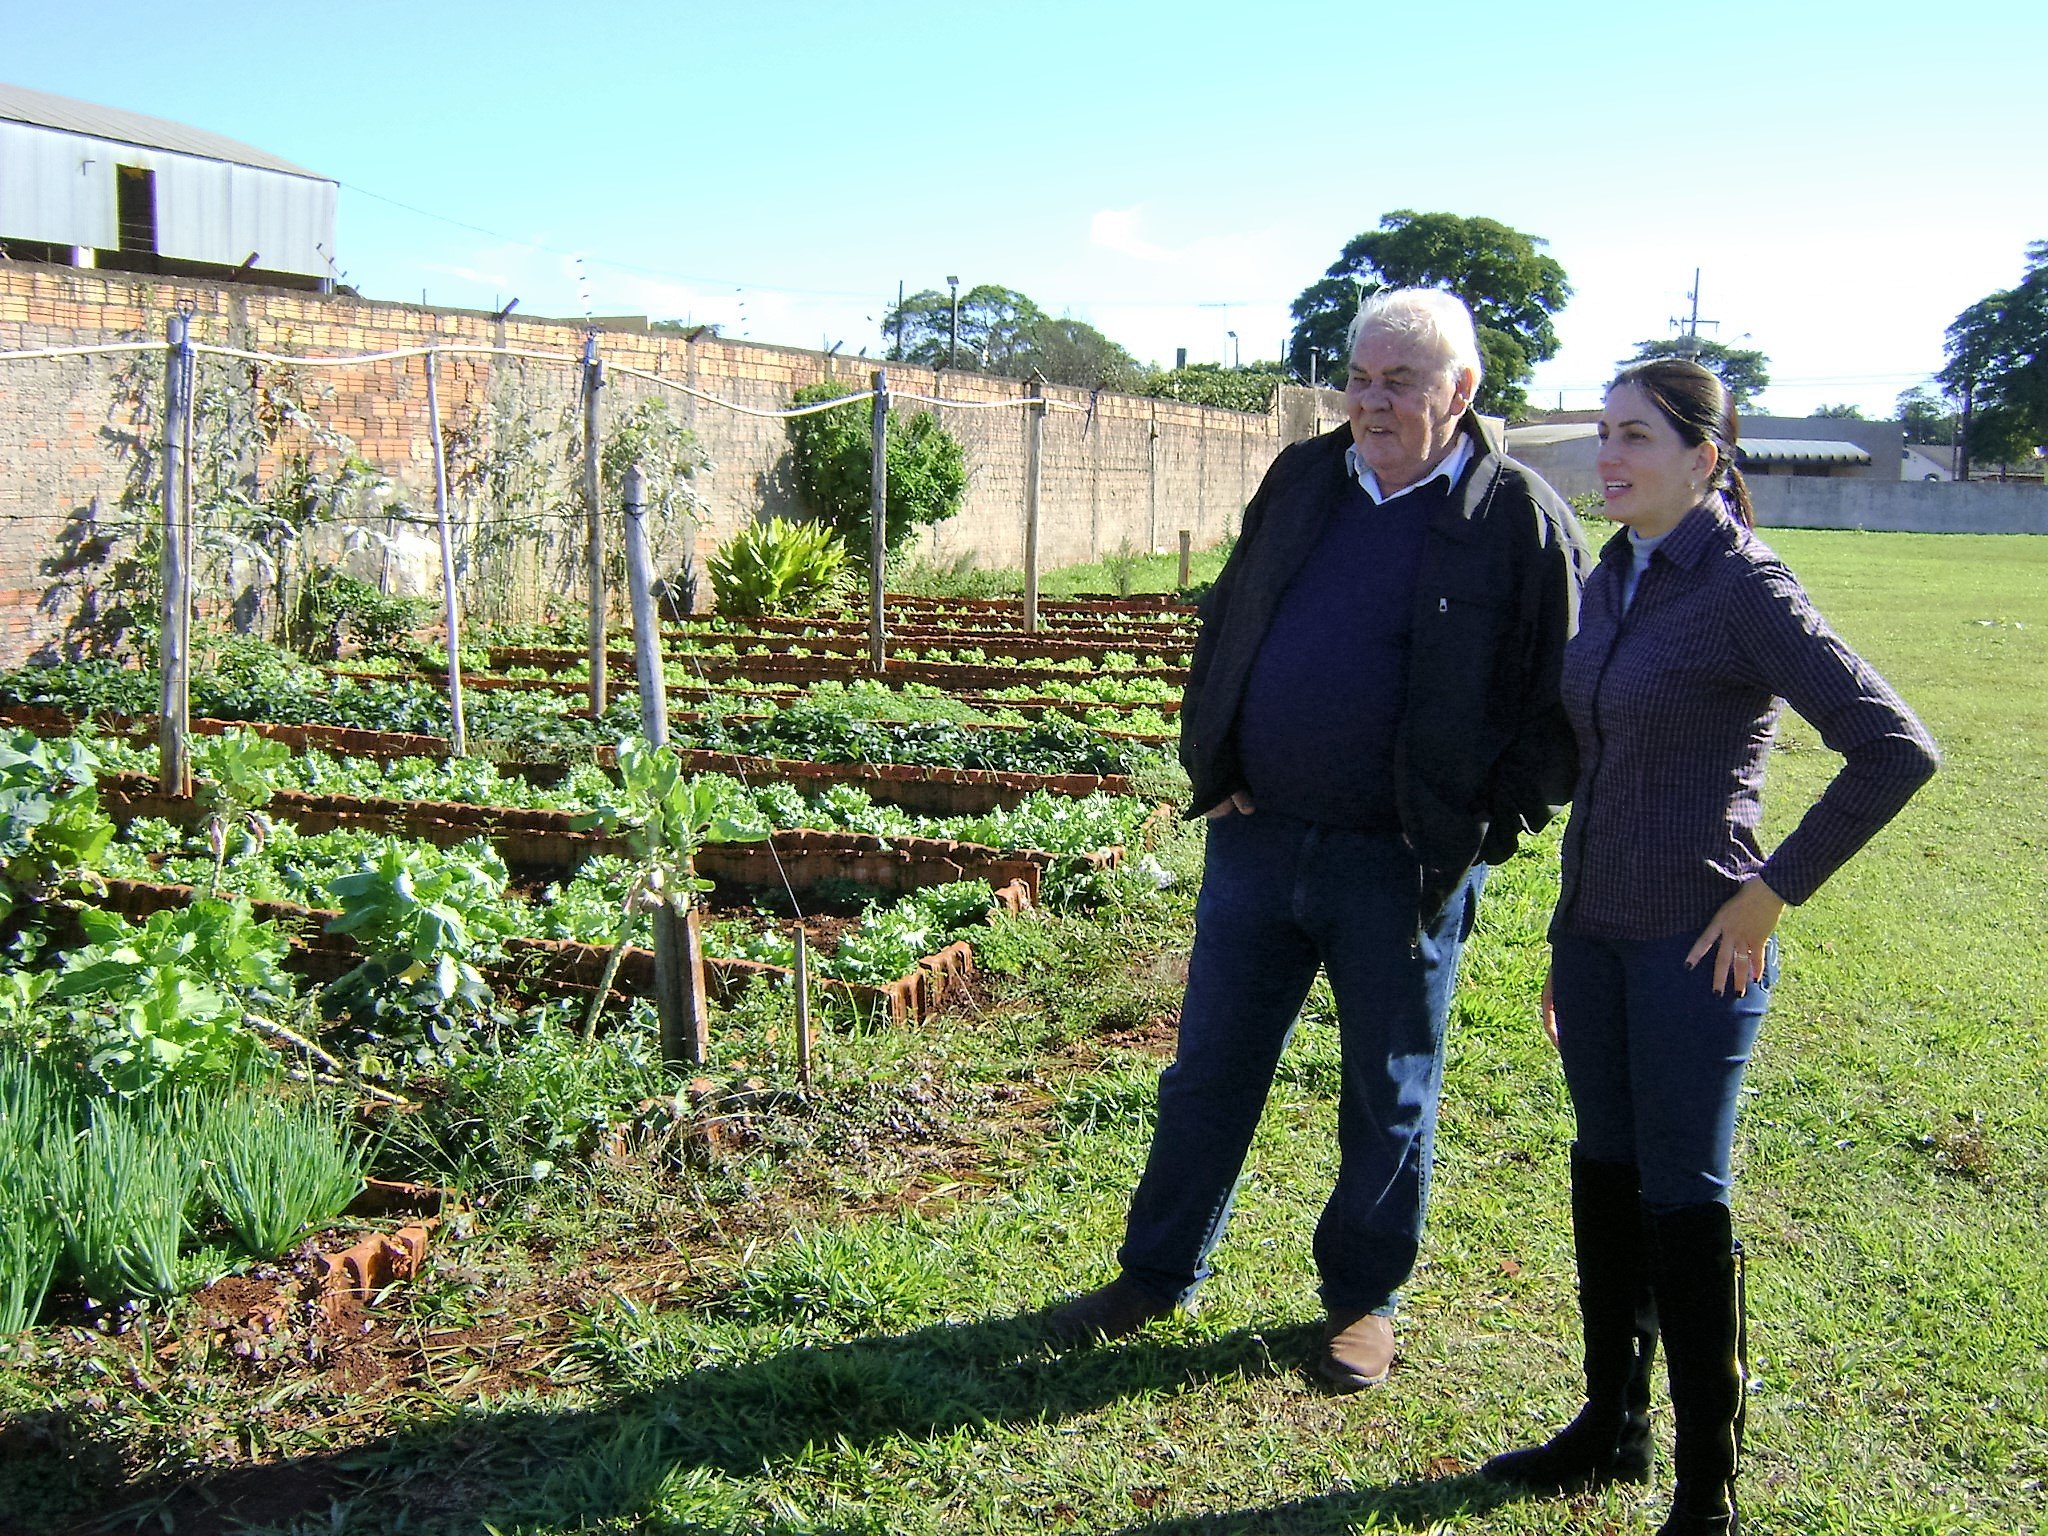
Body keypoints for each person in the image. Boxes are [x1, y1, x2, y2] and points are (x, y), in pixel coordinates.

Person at [1045, 288, 1591, 1390]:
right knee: (1207, 1071)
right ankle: (1154, 1272)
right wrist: (1219, 763)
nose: (1370, 399)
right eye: (1359, 376)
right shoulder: (1304, 477)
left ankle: (1359, 1301)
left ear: (1460, 390)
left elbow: (1563, 703)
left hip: (1399, 866)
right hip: (1257, 843)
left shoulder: (1515, 518)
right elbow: (1230, 617)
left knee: (1384, 1089)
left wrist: (1482, 828)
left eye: (1399, 381)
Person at [1479, 359, 1939, 1533]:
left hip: (1696, 950)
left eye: (1632, 436)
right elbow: (1599, 771)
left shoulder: (1743, 585)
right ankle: (1608, 1426)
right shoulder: (1613, 572)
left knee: (1683, 1197)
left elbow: (1892, 748)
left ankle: (1705, 1489)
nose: (1607, 458)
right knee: (1602, 1173)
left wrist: (1770, 891)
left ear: (1705, 456)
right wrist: (1563, 935)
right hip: (1594, 939)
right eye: (1600, 436)